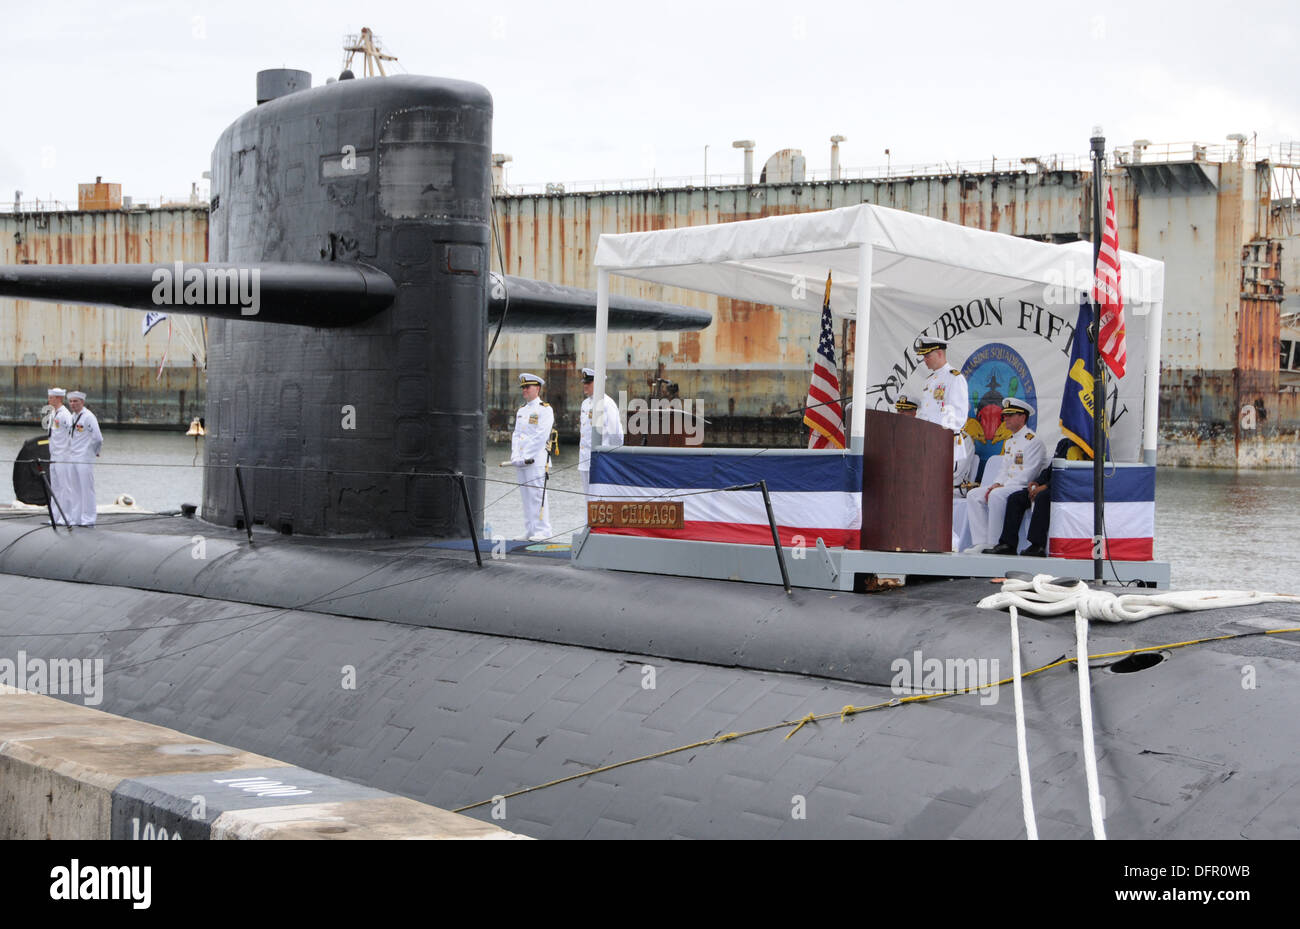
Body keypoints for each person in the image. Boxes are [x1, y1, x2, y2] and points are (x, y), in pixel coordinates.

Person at [965, 397, 1044, 552]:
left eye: (1010, 415)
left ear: (1022, 417)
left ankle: (996, 543)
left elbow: (1028, 474)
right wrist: (996, 483)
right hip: (1006, 485)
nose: (1005, 419)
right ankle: (981, 541)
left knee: (996, 495)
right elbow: (1004, 469)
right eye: (1004, 415)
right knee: (973, 494)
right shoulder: (1009, 441)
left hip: (1021, 488)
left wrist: (1001, 487)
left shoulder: (1033, 441)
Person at [986, 438, 1087, 556]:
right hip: (1049, 485)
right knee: (1015, 498)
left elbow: (1071, 474)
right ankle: (1008, 544)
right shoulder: (1064, 443)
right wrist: (1037, 482)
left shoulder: (1086, 445)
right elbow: (1051, 470)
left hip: (1066, 489)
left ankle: (1037, 545)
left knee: (1042, 498)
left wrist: (1045, 487)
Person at [915, 338, 971, 482]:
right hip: (927, 442)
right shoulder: (929, 380)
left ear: (939, 353)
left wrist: (937, 433)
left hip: (944, 444)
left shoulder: (954, 378)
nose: (925, 360)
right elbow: (924, 412)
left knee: (938, 488)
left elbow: (957, 415)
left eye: (927, 356)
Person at [511, 373, 554, 541]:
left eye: (527, 387)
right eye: (523, 388)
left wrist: (526, 456)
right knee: (526, 497)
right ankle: (530, 529)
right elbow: (517, 435)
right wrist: (515, 455)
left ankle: (544, 531)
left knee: (537, 495)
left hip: (536, 461)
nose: (524, 390)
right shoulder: (521, 411)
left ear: (537, 388)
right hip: (521, 460)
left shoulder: (545, 409)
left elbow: (540, 436)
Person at [578, 367, 623, 497]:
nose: (585, 386)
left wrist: (611, 458)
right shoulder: (585, 404)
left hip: (601, 461)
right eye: (584, 383)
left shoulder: (607, 403)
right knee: (588, 502)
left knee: (599, 501)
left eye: (588, 383)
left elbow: (617, 435)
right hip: (585, 461)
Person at [64, 390, 103, 528]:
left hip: (84, 457)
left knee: (87, 489)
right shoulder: (73, 417)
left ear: (82, 402)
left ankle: (89, 518)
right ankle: (76, 518)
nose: (73, 404)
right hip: (73, 456)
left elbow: (98, 438)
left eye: (76, 401)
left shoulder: (88, 417)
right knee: (75, 489)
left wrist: (94, 452)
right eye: (71, 401)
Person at [44, 388, 74, 524]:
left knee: (64, 487)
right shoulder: (53, 413)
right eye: (49, 397)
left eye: (51, 398)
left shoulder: (65, 415)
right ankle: (55, 516)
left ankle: (66, 515)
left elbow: (72, 434)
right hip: (54, 455)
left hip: (63, 456)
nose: (49, 400)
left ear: (59, 399)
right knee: (55, 487)